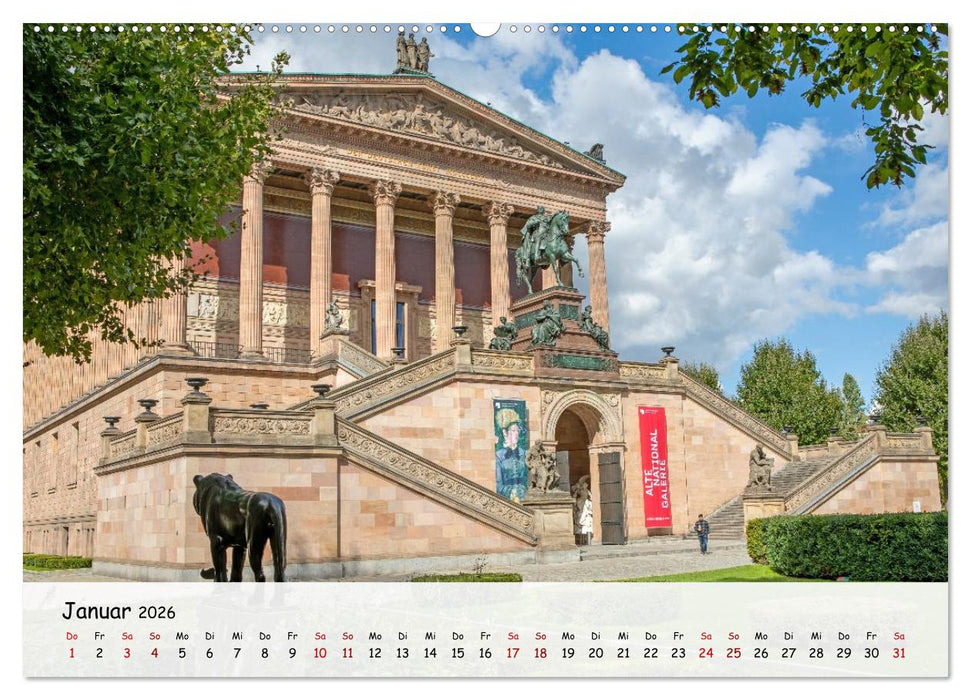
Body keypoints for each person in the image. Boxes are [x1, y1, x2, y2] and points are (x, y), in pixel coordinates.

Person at [495, 408, 528, 502]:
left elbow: (527, 477)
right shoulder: (499, 455)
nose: (516, 434)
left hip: (525, 497)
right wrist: (511, 493)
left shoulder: (523, 453)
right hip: (507, 498)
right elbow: (498, 483)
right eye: (513, 430)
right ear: (505, 432)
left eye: (517, 431)